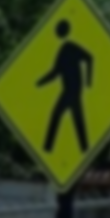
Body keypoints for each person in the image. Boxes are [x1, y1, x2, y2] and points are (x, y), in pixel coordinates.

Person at [39, 19, 95, 153]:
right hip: (70, 90)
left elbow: (90, 58)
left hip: (72, 90)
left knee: (57, 115)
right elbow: (56, 72)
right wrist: (40, 83)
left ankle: (48, 147)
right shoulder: (63, 49)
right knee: (77, 119)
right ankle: (84, 148)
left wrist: (89, 80)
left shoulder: (70, 47)